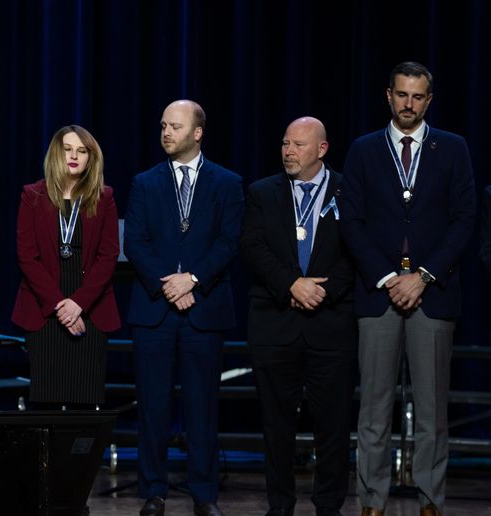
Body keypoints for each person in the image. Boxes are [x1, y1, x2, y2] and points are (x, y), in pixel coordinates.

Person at [339, 62, 475, 516]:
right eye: (401, 95)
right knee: (373, 412)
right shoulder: (363, 150)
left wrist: (424, 276)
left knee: (433, 412)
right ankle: (372, 503)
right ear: (388, 95)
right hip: (378, 294)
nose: (408, 104)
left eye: (417, 97)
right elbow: (352, 222)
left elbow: (463, 220)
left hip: (432, 295)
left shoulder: (453, 149)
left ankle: (431, 500)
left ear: (429, 100)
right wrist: (387, 277)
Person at [124, 99, 243, 516]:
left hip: (204, 308)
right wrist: (170, 285)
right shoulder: (145, 182)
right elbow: (134, 242)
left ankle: (204, 495)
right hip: (154, 310)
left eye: (175, 126)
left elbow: (230, 241)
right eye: (162, 126)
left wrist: (191, 279)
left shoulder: (227, 182)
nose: (166, 133)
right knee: (153, 406)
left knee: (202, 407)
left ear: (197, 132)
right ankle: (153, 491)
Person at [239, 117, 356, 516]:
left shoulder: (349, 190)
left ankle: (328, 506)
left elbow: (357, 251)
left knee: (334, 426)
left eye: (299, 145)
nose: (289, 151)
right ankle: (280, 506)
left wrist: (321, 291)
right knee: (276, 426)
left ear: (322, 149)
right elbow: (253, 247)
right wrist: (292, 285)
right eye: (285, 143)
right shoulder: (261, 192)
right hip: (275, 326)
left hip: (331, 326)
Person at [12, 125, 120, 411]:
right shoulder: (32, 195)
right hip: (45, 307)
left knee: (85, 402)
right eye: (67, 149)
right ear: (56, 155)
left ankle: (83, 458)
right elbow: (27, 257)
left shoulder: (104, 197)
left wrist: (78, 304)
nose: (73, 156)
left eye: (81, 151)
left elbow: (108, 256)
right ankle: (48, 459)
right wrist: (61, 305)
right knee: (47, 401)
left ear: (90, 158)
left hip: (90, 308)